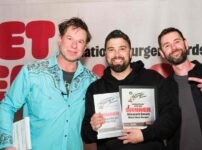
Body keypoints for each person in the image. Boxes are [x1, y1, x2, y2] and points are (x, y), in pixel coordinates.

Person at [0, 17, 97, 150]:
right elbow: (6, 106)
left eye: (80, 41)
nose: (74, 45)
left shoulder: (92, 81)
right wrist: (7, 144)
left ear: (85, 47)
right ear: (59, 39)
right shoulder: (31, 72)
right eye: (69, 38)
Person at [81, 29, 181, 150]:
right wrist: (93, 127)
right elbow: (86, 135)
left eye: (122, 48)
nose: (117, 54)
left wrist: (145, 134)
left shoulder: (153, 79)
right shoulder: (95, 88)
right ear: (105, 54)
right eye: (111, 50)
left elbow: (172, 117)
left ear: (131, 52)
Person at [158, 27, 202, 150]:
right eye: (167, 45)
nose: (174, 47)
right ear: (162, 53)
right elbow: (161, 128)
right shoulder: (164, 87)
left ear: (186, 43)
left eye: (177, 41)